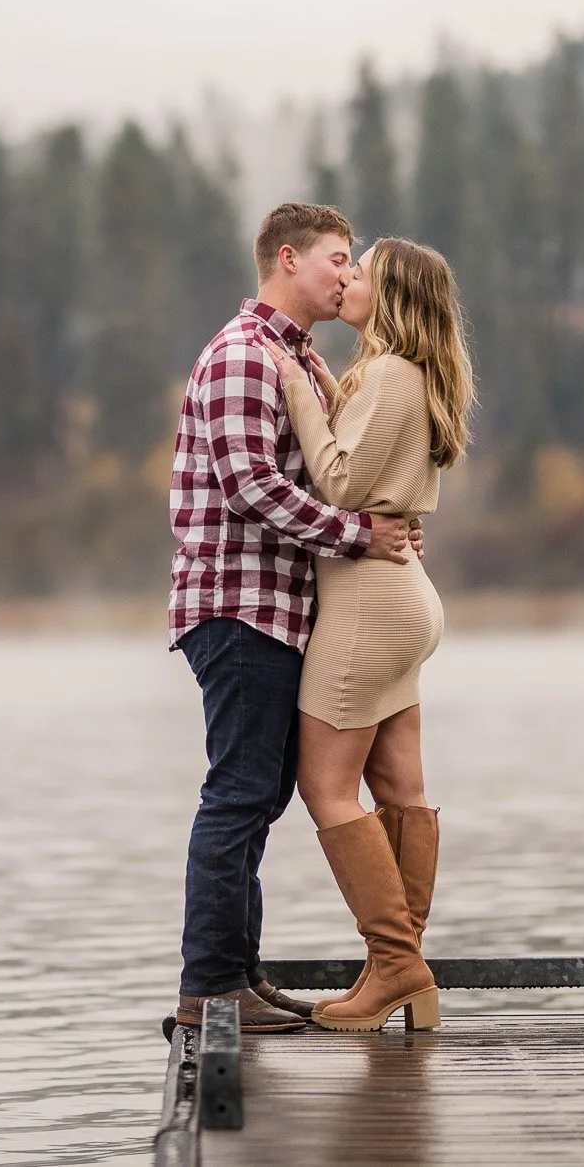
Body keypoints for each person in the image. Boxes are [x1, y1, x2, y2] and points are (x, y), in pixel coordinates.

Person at [169, 202, 423, 1034]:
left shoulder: (302, 361)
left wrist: (387, 516)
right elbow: (252, 487)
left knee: (259, 794)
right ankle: (212, 987)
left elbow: (330, 472)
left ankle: (238, 976)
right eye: (336, 258)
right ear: (287, 258)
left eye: (352, 262)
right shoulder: (244, 355)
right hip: (239, 606)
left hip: (280, 610)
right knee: (240, 793)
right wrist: (360, 533)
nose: (347, 274)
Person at [266, 236, 474, 1033]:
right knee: (400, 789)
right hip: (403, 598)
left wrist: (295, 386)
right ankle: (402, 970)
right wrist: (325, 385)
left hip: (366, 604)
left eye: (362, 269)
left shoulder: (389, 373)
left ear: (390, 295)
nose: (348, 277)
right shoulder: (407, 373)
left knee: (325, 787)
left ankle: (394, 964)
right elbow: (374, 471)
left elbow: (343, 482)